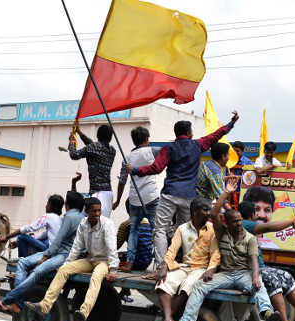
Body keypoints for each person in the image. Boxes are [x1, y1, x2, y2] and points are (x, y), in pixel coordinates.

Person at [127, 111, 239, 271]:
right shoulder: (197, 145)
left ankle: (161, 267)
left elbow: (156, 168)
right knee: (186, 229)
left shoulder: (169, 148)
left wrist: (136, 170)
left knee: (160, 229)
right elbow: (216, 135)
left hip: (170, 193)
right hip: (189, 197)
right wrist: (231, 123)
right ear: (188, 132)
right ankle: (186, 265)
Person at [170, 176, 276, 321]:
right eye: (235, 221)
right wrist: (226, 193)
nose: (239, 224)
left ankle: (267, 312)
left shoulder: (250, 238)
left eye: (240, 220)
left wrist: (254, 277)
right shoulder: (222, 233)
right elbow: (214, 213)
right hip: (226, 275)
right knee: (199, 286)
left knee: (258, 284)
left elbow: (254, 260)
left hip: (243, 275)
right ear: (227, 223)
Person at [24, 197, 119, 321]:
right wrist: (67, 264)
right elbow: (76, 247)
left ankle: (84, 313)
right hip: (90, 259)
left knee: (96, 278)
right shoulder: (83, 224)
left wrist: (113, 270)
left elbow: (111, 248)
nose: (97, 214)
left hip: (104, 261)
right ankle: (44, 306)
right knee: (64, 270)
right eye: (94, 211)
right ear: (86, 211)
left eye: (99, 211)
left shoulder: (107, 224)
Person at [0, 191, 86, 316]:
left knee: (36, 271)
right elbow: (45, 235)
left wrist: (45, 257)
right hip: (59, 251)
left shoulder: (67, 217)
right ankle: (17, 303)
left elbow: (55, 239)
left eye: (47, 203)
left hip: (61, 253)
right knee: (23, 262)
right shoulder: (76, 216)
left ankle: (10, 301)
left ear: (67, 204)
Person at [155, 197, 218, 321]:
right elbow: (172, 250)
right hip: (184, 266)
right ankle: (168, 318)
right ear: (195, 212)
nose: (209, 213)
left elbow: (215, 254)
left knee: (188, 286)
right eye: (205, 210)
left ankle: (169, 317)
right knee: (163, 283)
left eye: (209, 210)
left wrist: (211, 269)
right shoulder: (182, 229)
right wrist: (165, 266)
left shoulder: (212, 229)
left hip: (201, 269)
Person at [113, 126, 160, 272]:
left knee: (133, 230)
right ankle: (159, 263)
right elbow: (168, 152)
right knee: (157, 230)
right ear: (147, 139)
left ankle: (129, 263)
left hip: (134, 199)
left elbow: (122, 181)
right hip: (151, 197)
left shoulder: (127, 158)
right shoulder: (153, 150)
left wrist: (118, 200)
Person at [69, 120, 116, 218]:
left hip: (97, 194)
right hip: (108, 194)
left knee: (82, 220)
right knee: (102, 225)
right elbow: (91, 145)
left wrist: (72, 141)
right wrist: (79, 132)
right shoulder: (112, 150)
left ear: (97, 135)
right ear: (110, 138)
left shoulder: (93, 147)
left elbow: (74, 155)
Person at [0, 194, 64, 258]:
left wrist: (7, 237)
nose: (45, 206)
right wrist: (18, 242)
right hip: (56, 249)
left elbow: (27, 228)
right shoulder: (59, 219)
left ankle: (22, 261)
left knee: (21, 237)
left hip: (49, 249)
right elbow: (43, 235)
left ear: (51, 206)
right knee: (33, 236)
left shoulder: (48, 216)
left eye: (47, 204)